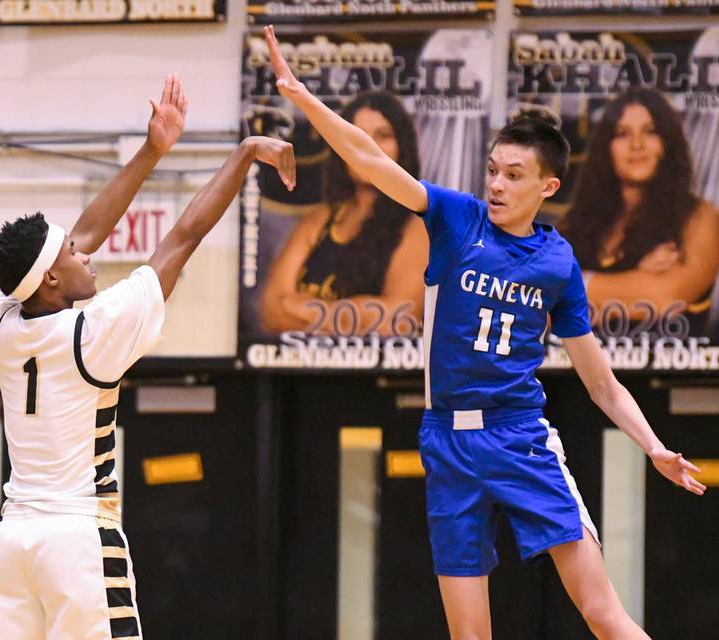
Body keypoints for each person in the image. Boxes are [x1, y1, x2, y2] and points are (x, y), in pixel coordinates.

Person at [264, 25, 706, 640]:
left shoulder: (557, 264)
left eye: (514, 175)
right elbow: (370, 157)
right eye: (493, 170)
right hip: (446, 439)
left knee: (604, 616)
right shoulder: (457, 219)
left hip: (519, 435)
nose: (496, 184)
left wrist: (653, 446)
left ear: (546, 187)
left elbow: (601, 384)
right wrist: (301, 96)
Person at [0, 73, 295, 640]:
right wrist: (245, 153)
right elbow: (183, 237)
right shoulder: (92, 332)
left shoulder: (3, 320)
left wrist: (155, 148)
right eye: (73, 254)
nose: (86, 253)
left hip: (11, 544)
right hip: (74, 539)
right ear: (52, 277)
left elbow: (86, 231)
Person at [259, 91, 427, 337]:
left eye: (383, 136)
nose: (368, 148)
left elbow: (399, 319)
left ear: (403, 147)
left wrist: (302, 308)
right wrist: (361, 313)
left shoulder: (417, 226)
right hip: (300, 369)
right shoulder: (320, 221)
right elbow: (270, 312)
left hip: (378, 374)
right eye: (356, 136)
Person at [561, 88, 719, 324]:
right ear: (606, 148)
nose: (637, 144)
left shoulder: (700, 218)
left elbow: (664, 297)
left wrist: (571, 288)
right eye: (622, 134)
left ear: (668, 143)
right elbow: (536, 304)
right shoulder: (575, 223)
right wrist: (637, 279)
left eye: (650, 132)